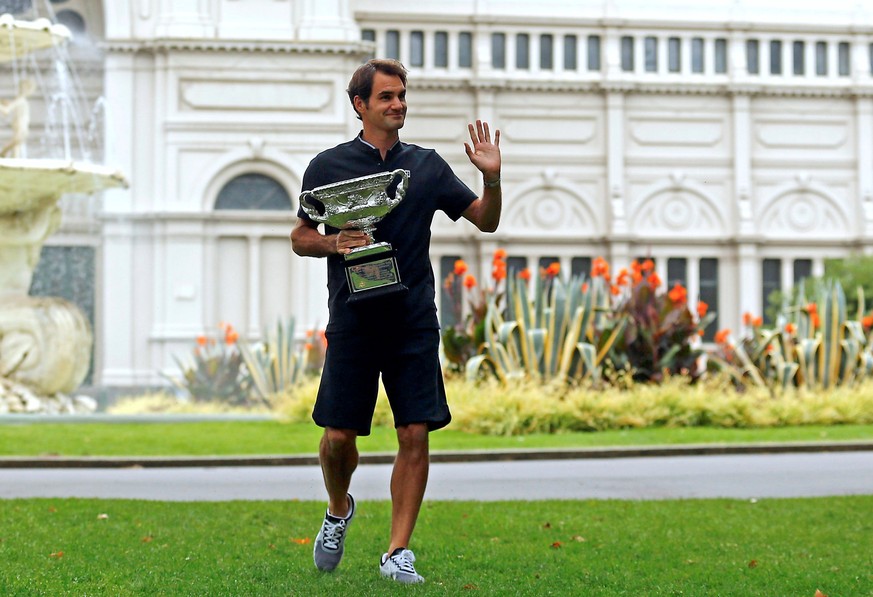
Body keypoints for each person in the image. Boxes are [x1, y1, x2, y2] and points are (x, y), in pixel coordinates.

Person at [290, 58, 501, 584]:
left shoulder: (426, 167)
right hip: (353, 322)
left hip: (412, 321)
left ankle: (396, 552)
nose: (398, 104)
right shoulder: (327, 167)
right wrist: (332, 242)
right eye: (386, 97)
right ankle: (339, 509)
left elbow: (486, 220)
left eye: (402, 95)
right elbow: (300, 236)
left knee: (414, 432)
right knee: (338, 438)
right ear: (360, 105)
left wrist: (491, 177)